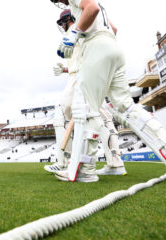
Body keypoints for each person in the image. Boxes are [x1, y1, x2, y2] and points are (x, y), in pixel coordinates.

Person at [48, 0, 166, 182]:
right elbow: (113, 28)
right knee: (126, 107)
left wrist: (75, 33)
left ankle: (84, 170)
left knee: (86, 108)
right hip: (113, 48)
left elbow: (92, 9)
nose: (60, 1)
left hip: (97, 47)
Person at [46, 9, 126, 177]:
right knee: (103, 118)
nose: (62, 26)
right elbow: (113, 30)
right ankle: (115, 162)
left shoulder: (76, 28)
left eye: (62, 22)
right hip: (89, 75)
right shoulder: (85, 28)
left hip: (81, 77)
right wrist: (65, 69)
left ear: (68, 19)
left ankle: (65, 162)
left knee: (63, 114)